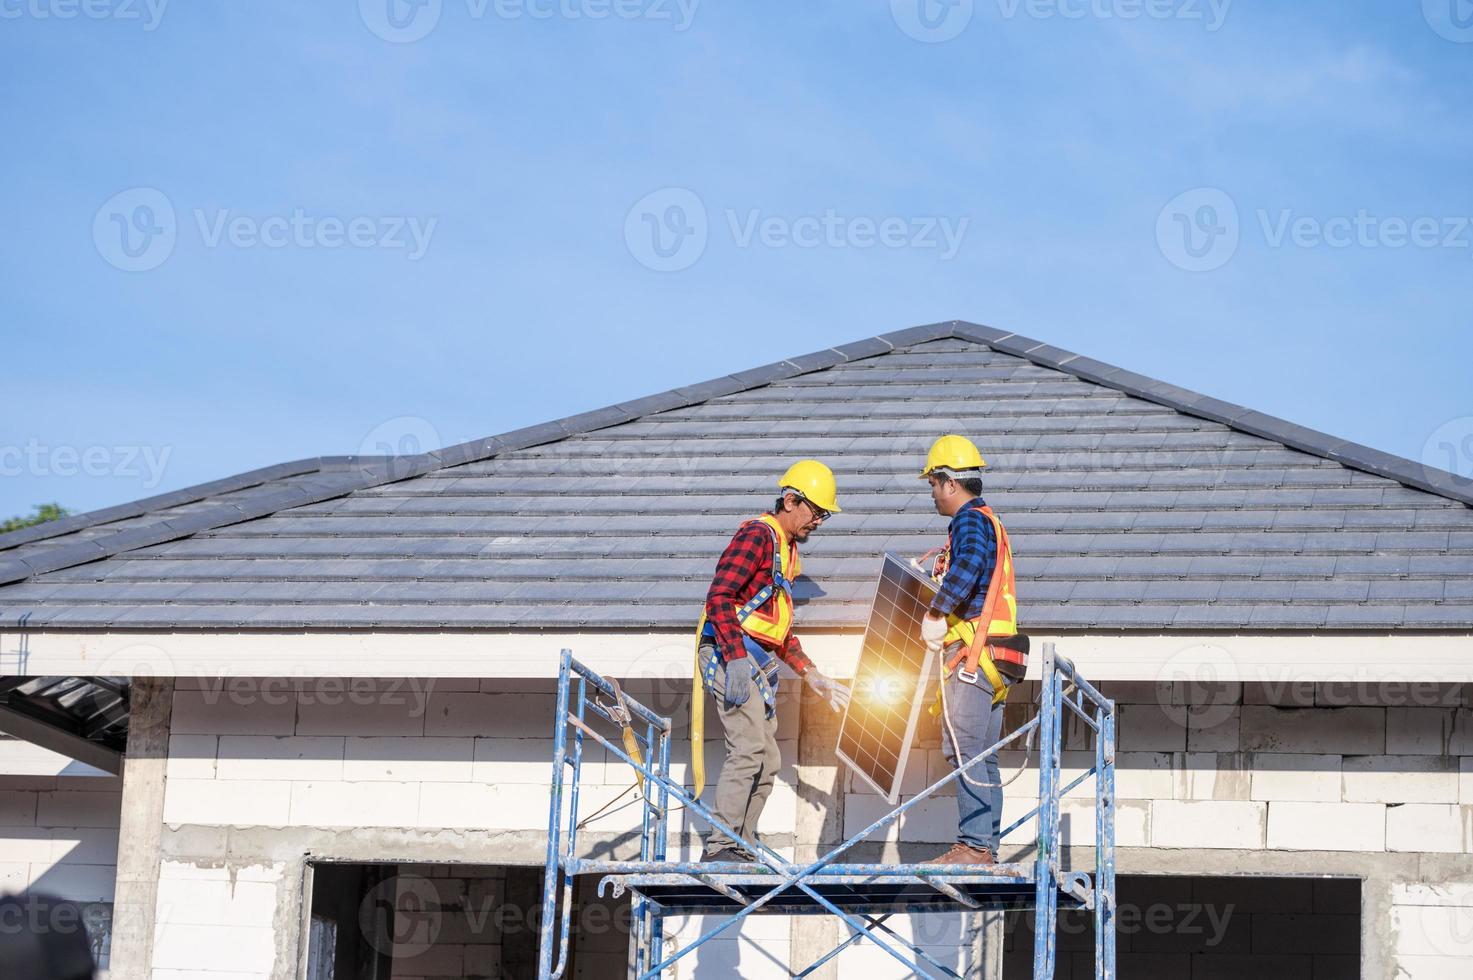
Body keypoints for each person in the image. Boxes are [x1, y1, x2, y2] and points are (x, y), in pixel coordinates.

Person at [694, 460, 851, 863]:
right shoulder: (758, 536)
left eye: (824, 515)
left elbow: (776, 628)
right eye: (815, 512)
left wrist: (810, 672)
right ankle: (721, 847)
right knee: (747, 750)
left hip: (754, 658)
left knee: (769, 760)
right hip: (732, 653)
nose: (818, 521)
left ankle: (740, 844)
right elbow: (719, 597)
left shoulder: (787, 551)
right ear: (790, 499)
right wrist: (735, 658)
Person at [916, 435, 1029, 866]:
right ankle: (984, 847)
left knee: (962, 750)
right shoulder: (992, 522)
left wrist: (937, 612)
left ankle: (974, 845)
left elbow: (967, 568)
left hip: (973, 655)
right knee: (982, 755)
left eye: (933, 484)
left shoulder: (969, 521)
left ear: (949, 482)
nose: (932, 494)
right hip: (999, 658)